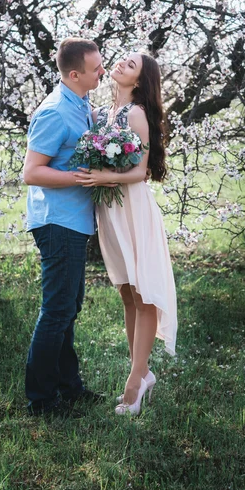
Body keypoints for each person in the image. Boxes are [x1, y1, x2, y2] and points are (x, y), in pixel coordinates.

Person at [74, 52, 177, 416]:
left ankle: (135, 383)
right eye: (122, 60)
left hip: (132, 208)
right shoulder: (99, 113)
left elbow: (140, 172)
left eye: (130, 65)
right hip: (109, 211)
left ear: (139, 80)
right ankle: (143, 372)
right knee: (126, 293)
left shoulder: (135, 114)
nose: (120, 65)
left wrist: (106, 177)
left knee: (144, 292)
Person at [23, 37, 105, 416]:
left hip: (74, 221)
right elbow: (32, 172)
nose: (102, 71)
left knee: (68, 307)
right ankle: (41, 400)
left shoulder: (83, 105)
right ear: (75, 74)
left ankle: (69, 386)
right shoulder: (56, 111)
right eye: (95, 68)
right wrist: (79, 178)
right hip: (57, 221)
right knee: (57, 309)